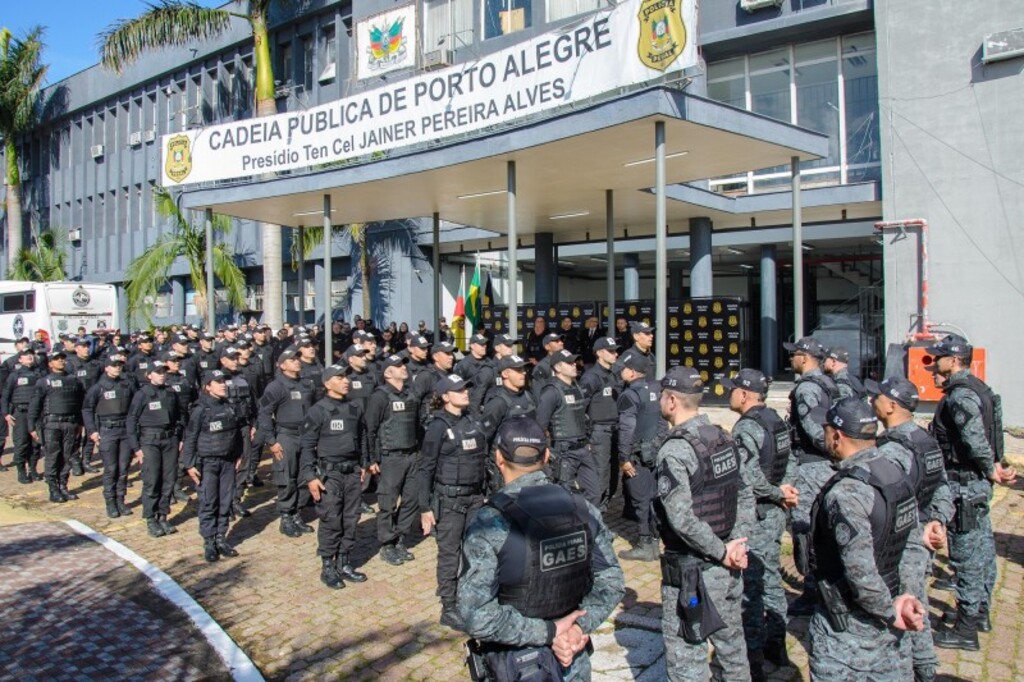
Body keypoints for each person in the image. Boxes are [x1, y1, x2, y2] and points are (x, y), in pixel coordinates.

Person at [457, 417, 625, 680]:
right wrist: (577, 628)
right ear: (547, 456)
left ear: (499, 458)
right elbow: (612, 581)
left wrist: (551, 631)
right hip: (571, 658)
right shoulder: (584, 509)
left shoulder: (491, 522)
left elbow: (476, 615)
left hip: (518, 664)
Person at [807, 398, 926, 680]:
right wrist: (907, 595)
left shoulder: (847, 493)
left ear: (837, 436)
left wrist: (888, 611)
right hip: (894, 621)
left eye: (825, 429)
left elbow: (860, 571)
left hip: (847, 630)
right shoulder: (895, 474)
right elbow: (912, 544)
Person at [654, 365, 754, 682]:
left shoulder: (675, 450)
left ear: (671, 401)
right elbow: (746, 493)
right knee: (733, 648)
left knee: (687, 656)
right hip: (729, 564)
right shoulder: (724, 437)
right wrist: (738, 543)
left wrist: (724, 551)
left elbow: (681, 518)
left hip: (692, 570)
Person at [925, 334, 1016, 650]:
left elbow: (976, 438)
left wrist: (991, 467)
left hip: (964, 483)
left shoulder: (960, 396)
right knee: (982, 547)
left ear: (953, 360)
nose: (934, 362)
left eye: (939, 357)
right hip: (974, 482)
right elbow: (995, 431)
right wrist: (997, 463)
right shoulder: (981, 389)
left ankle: (965, 629)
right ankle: (980, 615)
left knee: (966, 555)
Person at [869, 376, 952, 681]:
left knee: (906, 609)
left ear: (890, 406)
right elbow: (942, 488)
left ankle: (920, 671)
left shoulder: (892, 451)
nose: (871, 401)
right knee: (917, 603)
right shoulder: (924, 441)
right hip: (919, 537)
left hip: (901, 545)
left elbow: (885, 506)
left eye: (876, 396)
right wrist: (936, 521)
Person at [723, 369, 799, 679]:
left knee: (752, 586)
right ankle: (776, 645)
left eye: (733, 389)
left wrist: (777, 491)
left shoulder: (747, 427)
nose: (729, 394)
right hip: (777, 510)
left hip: (759, 514)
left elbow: (748, 476)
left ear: (744, 394)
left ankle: (753, 657)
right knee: (771, 581)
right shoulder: (775, 420)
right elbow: (790, 460)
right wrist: (787, 490)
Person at [418, 374, 488, 629]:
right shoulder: (437, 427)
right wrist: (425, 508)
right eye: (458, 390)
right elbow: (425, 468)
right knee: (450, 553)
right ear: (445, 396)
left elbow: (484, 457)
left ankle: (469, 597)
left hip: (475, 497)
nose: (465, 393)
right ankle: (448, 605)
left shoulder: (473, 420)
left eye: (466, 389)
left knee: (475, 549)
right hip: (449, 501)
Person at [784, 336, 840, 616]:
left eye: (794, 354)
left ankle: (812, 592)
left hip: (810, 465)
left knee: (805, 529)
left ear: (804, 358)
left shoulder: (807, 388)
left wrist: (833, 451)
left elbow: (815, 432)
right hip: (825, 464)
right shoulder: (829, 383)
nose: (790, 359)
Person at [300, 364, 369, 589]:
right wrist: (310, 476)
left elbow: (363, 438)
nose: (346, 381)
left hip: (352, 472)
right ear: (327, 383)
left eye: (346, 377)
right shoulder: (318, 410)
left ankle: (344, 561)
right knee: (331, 519)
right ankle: (328, 565)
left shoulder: (354, 407)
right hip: (329, 474)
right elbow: (307, 446)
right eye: (339, 377)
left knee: (351, 518)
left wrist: (364, 465)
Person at [365, 353, 420, 565]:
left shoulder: (410, 395)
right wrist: (371, 459)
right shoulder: (380, 397)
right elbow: (369, 430)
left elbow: (416, 426)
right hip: (390, 458)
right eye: (398, 366)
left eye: (403, 364)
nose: (403, 368)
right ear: (388, 373)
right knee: (387, 503)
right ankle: (387, 543)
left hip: (412, 455)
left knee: (411, 500)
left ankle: (400, 537)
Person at [182, 371, 242, 562]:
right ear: (208, 386)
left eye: (223, 381)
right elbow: (190, 438)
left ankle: (220, 537)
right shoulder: (201, 409)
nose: (223, 385)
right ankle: (209, 541)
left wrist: (238, 455)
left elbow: (237, 433)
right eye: (218, 382)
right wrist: (190, 464)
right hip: (207, 463)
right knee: (209, 502)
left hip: (227, 462)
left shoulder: (230, 407)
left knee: (225, 501)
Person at [257, 348, 316, 538]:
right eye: (291, 360)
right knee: (286, 477)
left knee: (303, 476)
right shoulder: (275, 386)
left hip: (305, 435)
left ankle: (297, 513)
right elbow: (264, 414)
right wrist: (271, 441)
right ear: (282, 365)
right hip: (286, 436)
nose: (297, 362)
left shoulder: (307, 384)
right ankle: (286, 516)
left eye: (297, 359)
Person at [615, 354, 666, 562]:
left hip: (637, 455)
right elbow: (663, 422)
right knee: (653, 497)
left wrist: (623, 457)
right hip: (653, 452)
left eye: (624, 368)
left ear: (632, 372)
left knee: (640, 500)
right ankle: (654, 540)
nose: (621, 372)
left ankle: (645, 543)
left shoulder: (629, 395)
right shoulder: (655, 390)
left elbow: (627, 429)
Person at [127, 360, 185, 537]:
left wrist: (180, 437)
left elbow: (180, 416)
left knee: (168, 480)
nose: (162, 374)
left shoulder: (170, 392)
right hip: (149, 440)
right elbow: (131, 420)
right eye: (158, 372)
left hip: (169, 440)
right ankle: (151, 518)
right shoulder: (142, 394)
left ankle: (163, 515)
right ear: (149, 375)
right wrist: (136, 447)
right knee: (152, 481)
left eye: (163, 372)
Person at [536, 349, 601, 506]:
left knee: (594, 493)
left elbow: (582, 416)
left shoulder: (576, 386)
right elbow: (540, 425)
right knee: (562, 495)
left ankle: (587, 525)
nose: (574, 365)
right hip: (563, 452)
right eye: (569, 363)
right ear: (557, 368)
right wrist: (547, 451)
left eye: (574, 362)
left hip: (583, 449)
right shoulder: (551, 392)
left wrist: (588, 441)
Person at [82, 353, 136, 518]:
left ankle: (121, 499)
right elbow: (87, 409)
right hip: (107, 430)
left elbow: (135, 406)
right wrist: (92, 431)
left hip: (125, 431)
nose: (117, 368)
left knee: (123, 468)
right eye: (114, 365)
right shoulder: (98, 387)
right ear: (106, 368)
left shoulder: (127, 385)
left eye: (119, 365)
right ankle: (110, 501)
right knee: (111, 468)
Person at [29, 350, 86, 504]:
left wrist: (81, 423)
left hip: (70, 423)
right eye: (57, 359)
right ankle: (53, 489)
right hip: (52, 424)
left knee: (68, 456)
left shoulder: (74, 380)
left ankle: (63, 486)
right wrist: (32, 427)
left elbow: (81, 404)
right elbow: (35, 405)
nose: (61, 361)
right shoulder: (44, 381)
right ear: (50, 363)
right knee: (53, 456)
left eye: (62, 359)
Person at [479, 354, 537, 493]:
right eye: (518, 370)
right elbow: (484, 437)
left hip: (529, 465)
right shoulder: (498, 402)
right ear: (505, 373)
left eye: (523, 370)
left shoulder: (528, 396)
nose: (523, 373)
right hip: (506, 471)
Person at [579, 337, 619, 509]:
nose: (615, 354)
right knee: (600, 474)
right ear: (599, 353)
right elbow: (581, 408)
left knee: (612, 475)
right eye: (611, 351)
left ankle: (603, 509)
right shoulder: (591, 377)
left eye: (616, 350)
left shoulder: (613, 374)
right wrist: (586, 438)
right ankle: (594, 515)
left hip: (613, 429)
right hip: (599, 431)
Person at [2, 348, 44, 484]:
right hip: (20, 413)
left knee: (36, 443)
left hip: (37, 413)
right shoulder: (14, 375)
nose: (30, 357)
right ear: (20, 359)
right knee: (21, 444)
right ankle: (21, 471)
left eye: (31, 355)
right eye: (26, 356)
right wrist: (6, 414)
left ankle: (33, 469)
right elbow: (6, 396)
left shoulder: (40, 374)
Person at [67, 337, 103, 474]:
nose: (86, 348)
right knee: (75, 435)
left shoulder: (96, 364)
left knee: (91, 433)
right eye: (83, 346)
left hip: (92, 405)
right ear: (76, 349)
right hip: (76, 405)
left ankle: (86, 460)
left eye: (88, 346)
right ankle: (75, 460)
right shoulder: (70, 364)